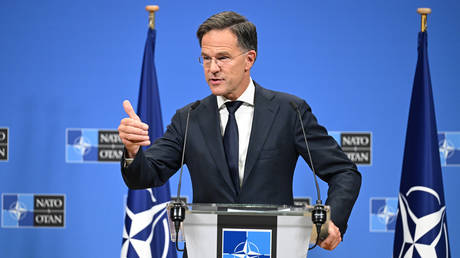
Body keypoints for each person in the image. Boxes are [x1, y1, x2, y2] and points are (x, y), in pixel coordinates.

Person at [118, 11, 361, 251]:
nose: (212, 68)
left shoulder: (290, 111)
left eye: (223, 57)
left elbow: (343, 171)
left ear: (249, 59)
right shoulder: (189, 118)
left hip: (272, 249)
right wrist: (132, 150)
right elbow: (144, 176)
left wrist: (333, 221)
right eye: (205, 58)